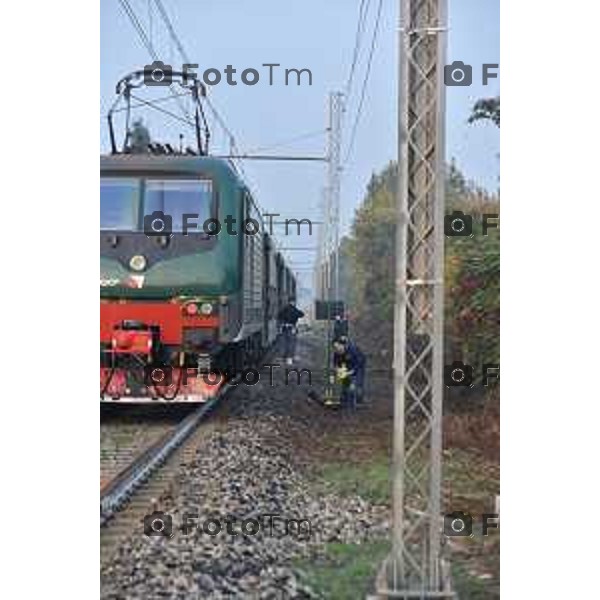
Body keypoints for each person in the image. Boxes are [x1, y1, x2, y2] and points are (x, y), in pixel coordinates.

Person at [332, 336, 366, 408]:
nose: (336, 349)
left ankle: (358, 401)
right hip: (347, 366)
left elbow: (358, 364)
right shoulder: (336, 353)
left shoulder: (353, 350)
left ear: (343, 345)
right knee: (345, 383)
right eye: (334, 347)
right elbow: (335, 364)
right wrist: (338, 370)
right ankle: (344, 400)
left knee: (355, 385)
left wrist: (350, 373)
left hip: (358, 366)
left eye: (338, 347)